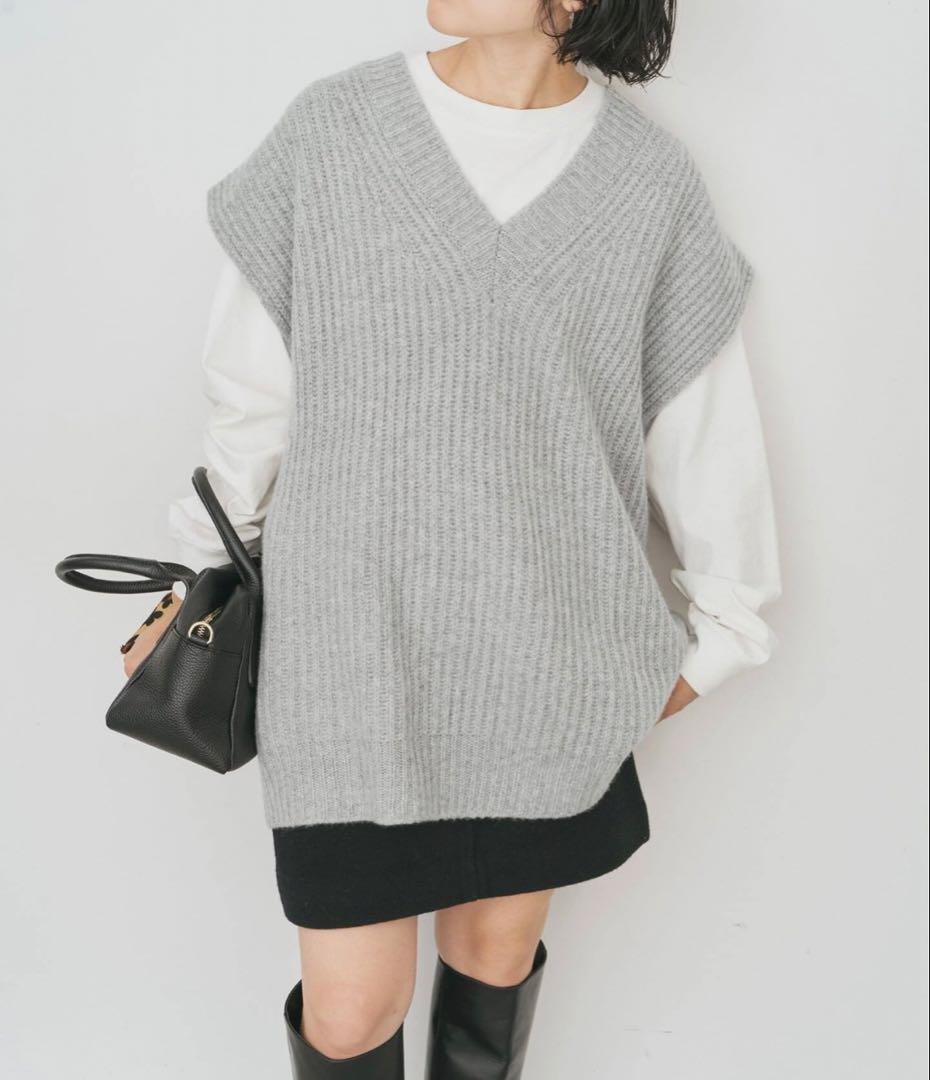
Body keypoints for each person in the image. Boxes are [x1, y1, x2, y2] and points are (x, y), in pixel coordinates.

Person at [123, 2, 780, 1075]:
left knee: (493, 956)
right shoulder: (334, 131)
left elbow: (705, 440)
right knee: (349, 1013)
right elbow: (249, 406)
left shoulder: (649, 186)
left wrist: (715, 642)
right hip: (350, 665)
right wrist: (191, 585)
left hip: (546, 674)